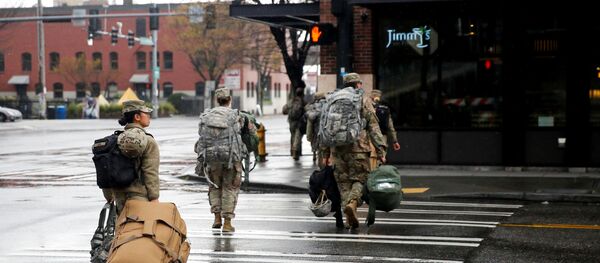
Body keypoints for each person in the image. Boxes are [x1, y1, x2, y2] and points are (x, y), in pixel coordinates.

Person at [322, 73, 387, 229]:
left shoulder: (332, 99)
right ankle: (352, 203)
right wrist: (381, 150)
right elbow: (373, 127)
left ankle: (348, 218)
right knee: (360, 180)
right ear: (358, 84)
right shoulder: (362, 100)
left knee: (343, 184)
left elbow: (323, 128)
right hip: (359, 149)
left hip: (338, 150)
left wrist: (325, 153)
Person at [197, 88, 244, 233]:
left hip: (212, 159)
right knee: (230, 188)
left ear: (216, 100)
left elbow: (201, 136)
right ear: (230, 99)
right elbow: (248, 133)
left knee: (214, 187)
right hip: (231, 159)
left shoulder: (206, 116)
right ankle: (227, 223)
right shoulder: (236, 115)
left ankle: (217, 218)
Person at [102, 99, 160, 215]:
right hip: (140, 198)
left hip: (120, 197)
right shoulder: (148, 141)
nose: (149, 116)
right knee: (140, 231)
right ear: (137, 117)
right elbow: (150, 172)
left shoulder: (114, 141)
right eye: (146, 113)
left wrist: (109, 195)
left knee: (122, 230)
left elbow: (106, 169)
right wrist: (154, 198)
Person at [370, 89, 401, 169]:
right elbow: (390, 127)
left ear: (371, 97)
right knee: (380, 159)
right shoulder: (385, 109)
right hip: (382, 137)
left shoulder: (367, 107)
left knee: (370, 159)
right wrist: (395, 141)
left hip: (369, 137)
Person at [305, 92, 326, 167]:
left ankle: (322, 168)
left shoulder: (316, 106)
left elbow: (312, 117)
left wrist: (307, 113)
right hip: (328, 132)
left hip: (318, 131)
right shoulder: (328, 104)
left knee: (320, 150)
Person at [285, 87, 306, 160]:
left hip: (291, 122)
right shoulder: (303, 101)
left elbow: (284, 110)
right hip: (299, 122)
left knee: (293, 136)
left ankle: (292, 151)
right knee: (298, 137)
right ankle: (297, 153)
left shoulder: (291, 101)